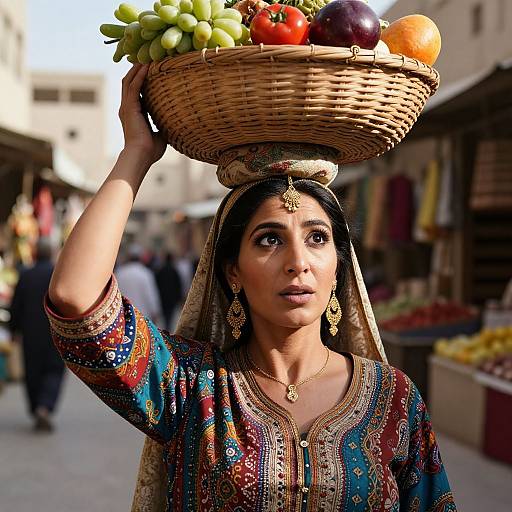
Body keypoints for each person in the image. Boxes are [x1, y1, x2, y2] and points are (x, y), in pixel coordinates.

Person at [45, 64, 456, 511]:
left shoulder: (393, 398)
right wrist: (138, 153)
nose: (298, 262)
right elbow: (75, 298)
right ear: (233, 271)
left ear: (339, 265)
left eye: (317, 238)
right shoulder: (192, 387)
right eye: (269, 240)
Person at [10, 237, 65, 432]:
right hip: (56, 333)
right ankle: (45, 406)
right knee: (54, 370)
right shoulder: (58, 275)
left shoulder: (26, 275)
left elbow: (15, 305)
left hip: (30, 334)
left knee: (32, 372)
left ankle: (36, 408)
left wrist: (13, 329)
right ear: (50, 254)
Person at [115, 243, 163, 325]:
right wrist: (155, 312)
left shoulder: (120, 272)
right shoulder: (145, 273)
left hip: (123, 317)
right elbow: (151, 296)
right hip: (142, 317)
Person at [155, 252, 183, 331]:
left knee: (165, 315)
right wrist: (179, 297)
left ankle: (166, 328)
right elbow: (178, 285)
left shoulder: (160, 270)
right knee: (170, 316)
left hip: (163, 297)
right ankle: (168, 328)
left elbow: (157, 284)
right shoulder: (174, 270)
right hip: (172, 298)